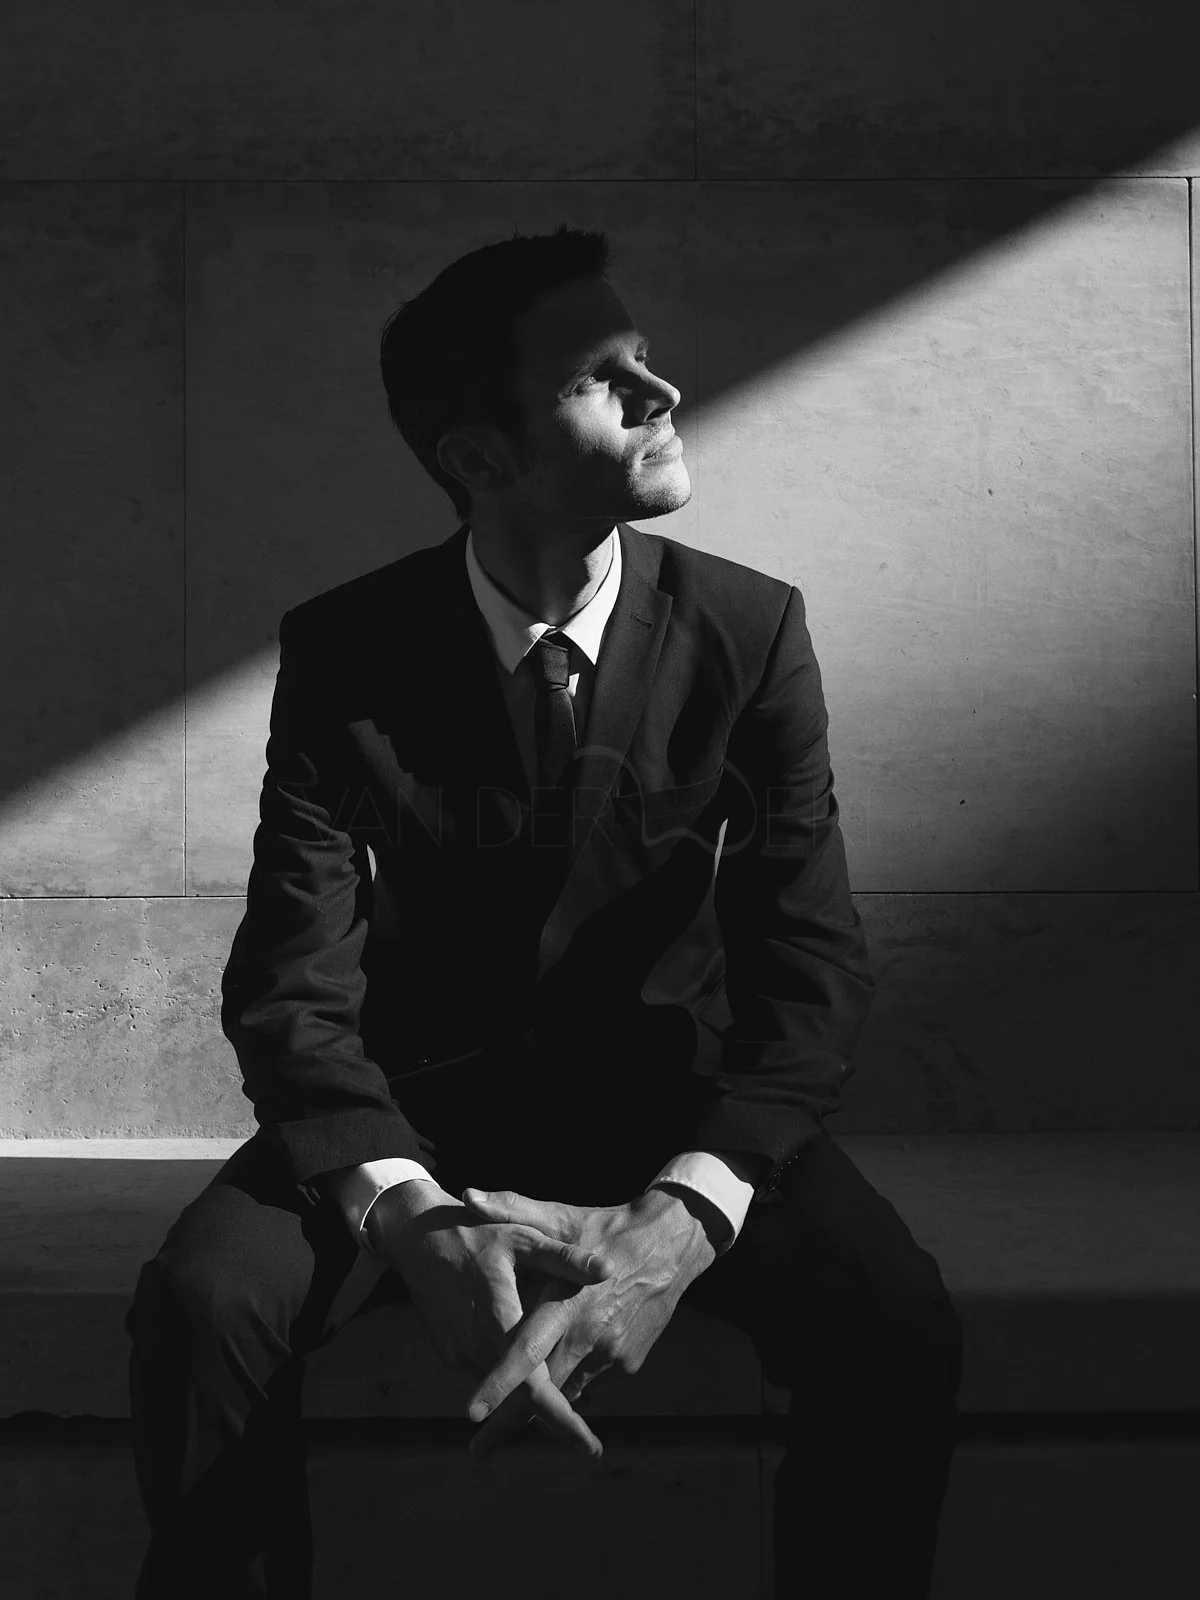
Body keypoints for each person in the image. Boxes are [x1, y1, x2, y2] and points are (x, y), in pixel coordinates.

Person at [125, 224, 964, 1598]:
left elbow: (810, 965)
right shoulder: (347, 650)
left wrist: (681, 1221)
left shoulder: (749, 633)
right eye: (603, 376)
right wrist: (405, 1212)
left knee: (898, 1321)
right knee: (202, 1305)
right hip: (424, 1103)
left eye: (649, 361)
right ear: (479, 457)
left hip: (669, 1098)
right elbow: (292, 979)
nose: (663, 394)